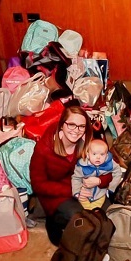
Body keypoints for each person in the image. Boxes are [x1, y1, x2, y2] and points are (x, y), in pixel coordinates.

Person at [30, 104, 114, 245]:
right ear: (62, 124)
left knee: (107, 214)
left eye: (81, 126)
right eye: (71, 125)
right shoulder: (44, 149)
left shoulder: (87, 142)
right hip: (56, 195)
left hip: (85, 189)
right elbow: (38, 185)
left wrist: (99, 181)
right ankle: (53, 222)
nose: (76, 130)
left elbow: (110, 169)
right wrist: (74, 190)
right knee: (83, 220)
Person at [72, 138, 123, 209]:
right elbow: (75, 178)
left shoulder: (110, 164)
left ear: (106, 155)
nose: (98, 157)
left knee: (96, 213)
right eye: (94, 154)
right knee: (85, 212)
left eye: (102, 154)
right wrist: (76, 192)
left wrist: (111, 188)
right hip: (85, 195)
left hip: (100, 195)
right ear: (88, 154)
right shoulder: (82, 165)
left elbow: (118, 172)